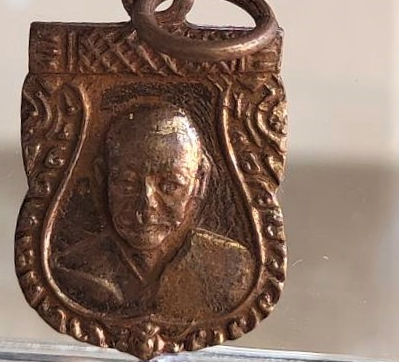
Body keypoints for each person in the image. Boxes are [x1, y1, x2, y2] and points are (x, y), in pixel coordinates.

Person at [51, 103, 254, 319]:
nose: (147, 207)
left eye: (169, 186)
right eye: (127, 184)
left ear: (199, 183)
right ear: (103, 178)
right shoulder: (72, 269)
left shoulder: (231, 269)